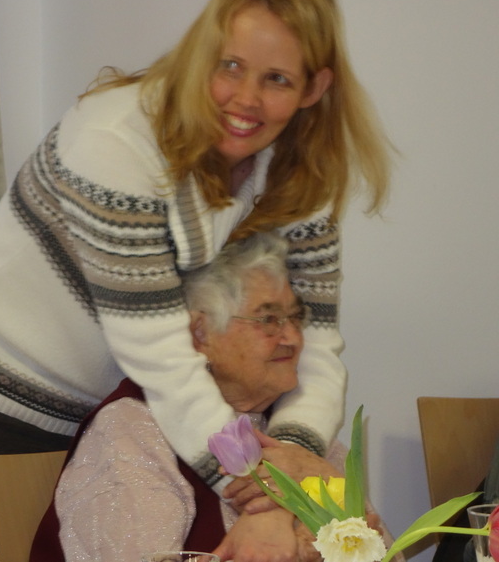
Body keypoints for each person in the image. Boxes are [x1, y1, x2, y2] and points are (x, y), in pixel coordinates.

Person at [0, 0, 391, 559]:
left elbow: (316, 346)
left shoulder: (302, 173)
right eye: (230, 66)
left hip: (122, 411)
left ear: (315, 87)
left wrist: (292, 460)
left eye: (277, 79)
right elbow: (162, 356)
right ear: (200, 54)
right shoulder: (117, 141)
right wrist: (275, 495)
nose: (246, 98)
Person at [30, 233, 395, 562]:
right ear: (200, 333)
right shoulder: (134, 430)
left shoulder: (304, 435)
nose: (293, 338)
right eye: (268, 319)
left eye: (295, 318)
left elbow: (388, 555)